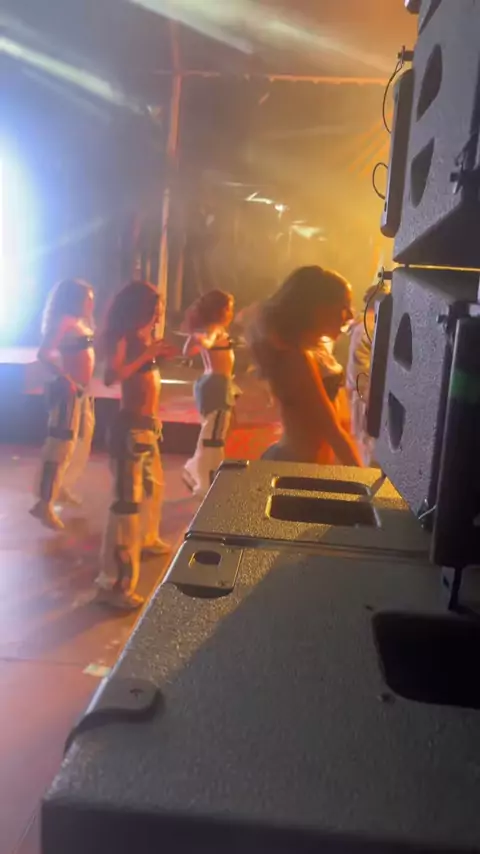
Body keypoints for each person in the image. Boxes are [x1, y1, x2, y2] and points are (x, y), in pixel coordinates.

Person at [96, 281, 175, 611]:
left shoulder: (141, 339)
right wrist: (147, 355)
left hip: (145, 428)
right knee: (126, 507)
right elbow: (111, 377)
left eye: (159, 311)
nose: (157, 316)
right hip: (129, 430)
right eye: (153, 311)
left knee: (152, 488)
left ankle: (147, 539)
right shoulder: (124, 338)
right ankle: (115, 583)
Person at [248, 266, 362, 466]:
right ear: (319, 308)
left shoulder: (316, 346)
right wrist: (364, 478)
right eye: (343, 306)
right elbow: (331, 430)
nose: (350, 315)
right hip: (295, 466)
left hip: (307, 464)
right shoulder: (297, 357)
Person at [30, 279, 96, 530]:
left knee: (78, 442)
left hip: (80, 391)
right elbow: (44, 353)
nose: (90, 304)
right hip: (67, 392)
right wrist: (65, 377)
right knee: (60, 445)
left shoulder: (79, 322)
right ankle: (44, 502)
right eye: (87, 299)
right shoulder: (64, 321)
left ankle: (61, 487)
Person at [182, 289, 237, 497]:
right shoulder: (212, 330)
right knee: (213, 437)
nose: (231, 312)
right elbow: (206, 342)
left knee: (213, 432)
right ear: (219, 310)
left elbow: (189, 350)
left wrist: (198, 339)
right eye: (228, 308)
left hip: (214, 384)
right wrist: (203, 341)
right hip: (216, 385)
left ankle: (198, 474)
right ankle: (206, 482)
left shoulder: (212, 329)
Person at [345, 283, 381, 466]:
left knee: (367, 449)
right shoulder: (371, 326)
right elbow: (363, 372)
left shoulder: (364, 325)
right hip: (368, 399)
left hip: (363, 397)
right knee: (371, 453)